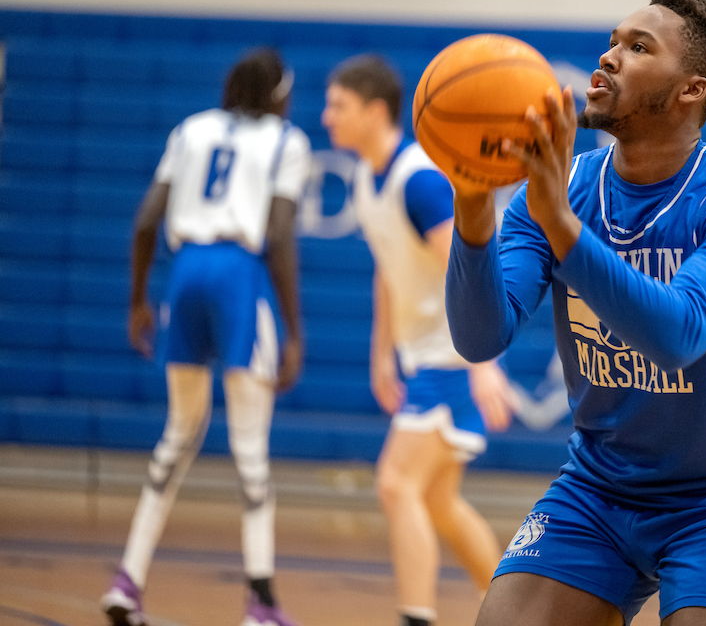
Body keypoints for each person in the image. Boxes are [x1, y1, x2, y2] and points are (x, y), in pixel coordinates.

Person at [447, 0, 706, 626]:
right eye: (612, 41)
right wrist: (471, 211)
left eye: (638, 47)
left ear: (691, 89)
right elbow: (480, 336)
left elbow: (680, 333)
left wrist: (560, 225)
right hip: (598, 489)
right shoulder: (561, 192)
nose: (609, 57)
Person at [101, 48, 310, 626]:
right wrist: (292, 330)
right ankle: (261, 603)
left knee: (177, 435)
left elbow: (146, 221)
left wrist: (139, 299)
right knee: (250, 449)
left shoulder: (192, 129)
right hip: (238, 277)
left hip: (185, 272)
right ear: (278, 95)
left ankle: (127, 581)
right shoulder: (287, 141)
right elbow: (282, 235)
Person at [320, 54, 516, 626]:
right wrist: (382, 352)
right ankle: (522, 613)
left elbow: (474, 267)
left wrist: (485, 361)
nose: (327, 118)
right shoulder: (363, 176)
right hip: (422, 356)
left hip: (452, 358)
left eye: (339, 106)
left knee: (395, 483)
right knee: (438, 503)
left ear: (376, 111)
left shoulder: (421, 180)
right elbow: (387, 268)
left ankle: (417, 617)